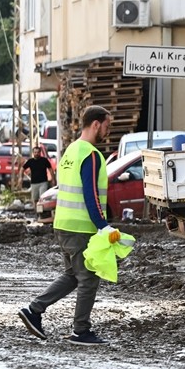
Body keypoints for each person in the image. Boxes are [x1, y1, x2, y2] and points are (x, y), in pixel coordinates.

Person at [19, 105, 113, 346]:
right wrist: (103, 225)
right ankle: (81, 331)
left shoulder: (71, 150)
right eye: (106, 125)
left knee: (73, 275)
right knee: (89, 278)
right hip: (81, 227)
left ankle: (34, 310)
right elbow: (90, 193)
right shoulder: (90, 154)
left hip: (63, 223)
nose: (107, 131)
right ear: (95, 124)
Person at [23, 144, 56, 210]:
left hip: (43, 182)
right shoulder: (30, 161)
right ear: (33, 153)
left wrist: (53, 179)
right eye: (35, 152)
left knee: (42, 198)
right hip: (34, 183)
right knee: (35, 199)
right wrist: (20, 178)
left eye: (38, 152)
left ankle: (41, 211)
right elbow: (23, 168)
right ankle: (36, 211)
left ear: (40, 153)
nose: (36, 154)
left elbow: (50, 169)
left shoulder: (44, 160)